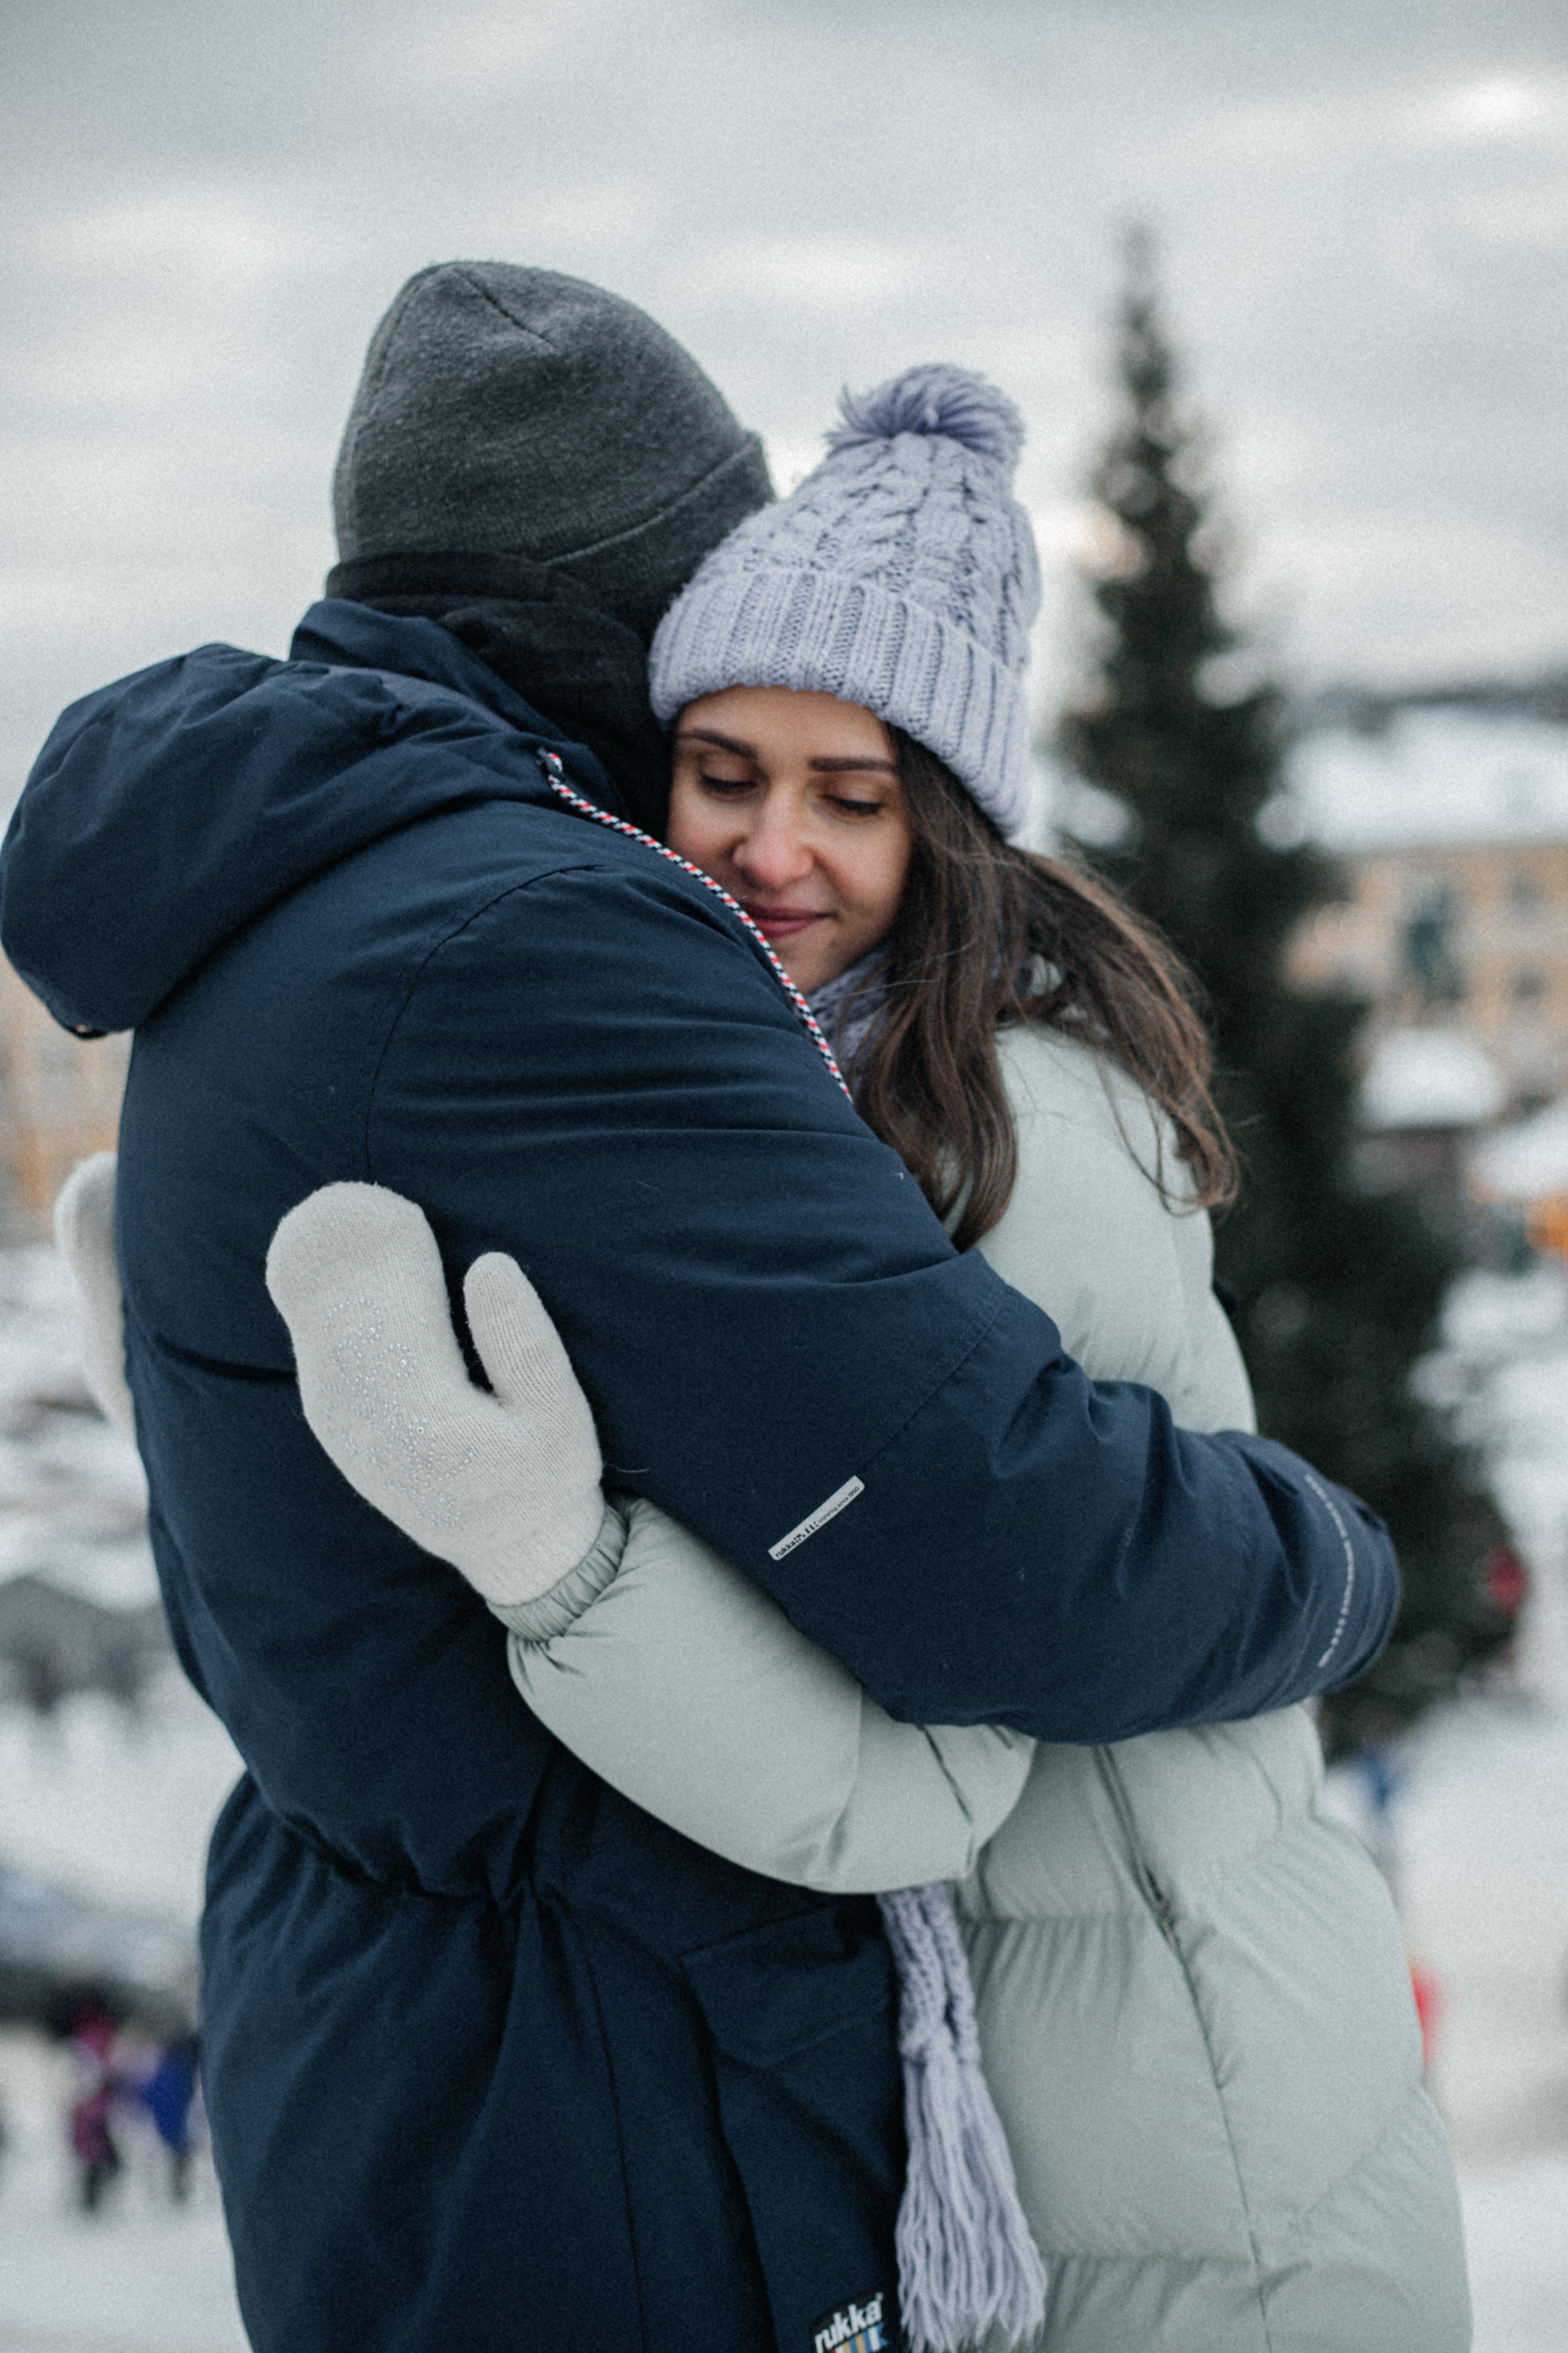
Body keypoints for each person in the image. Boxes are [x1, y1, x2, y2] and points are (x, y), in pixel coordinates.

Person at [14, 268, 1399, 2353]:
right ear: (635, 604)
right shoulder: (536, 929)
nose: (768, 836)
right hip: (600, 2092)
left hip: (431, 2051)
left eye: (852, 788)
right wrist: (1324, 1552)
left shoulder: (288, 888)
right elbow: (984, 1535)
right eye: (719, 728)